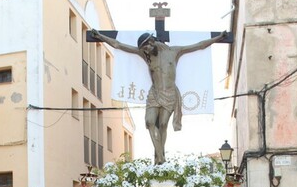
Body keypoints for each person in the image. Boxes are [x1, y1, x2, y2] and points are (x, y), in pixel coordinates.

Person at [90, 28, 228, 164]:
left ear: (152, 41)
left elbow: (199, 45)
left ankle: (161, 159)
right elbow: (118, 45)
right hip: (154, 93)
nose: (146, 51)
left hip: (169, 93)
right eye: (143, 49)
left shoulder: (174, 51)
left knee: (162, 125)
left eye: (146, 47)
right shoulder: (145, 55)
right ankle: (160, 157)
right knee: (150, 122)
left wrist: (218, 38)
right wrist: (101, 36)